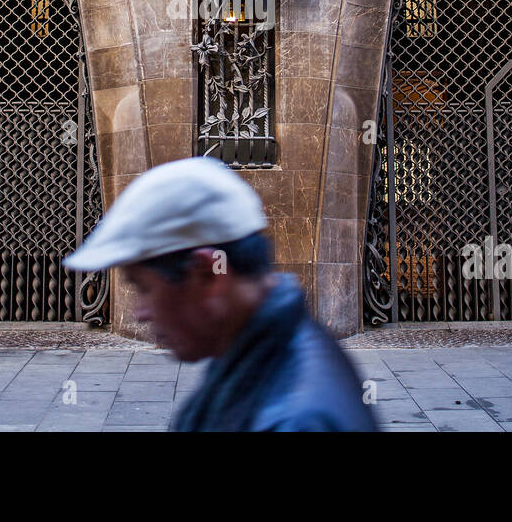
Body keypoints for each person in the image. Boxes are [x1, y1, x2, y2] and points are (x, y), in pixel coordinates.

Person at [63, 156, 378, 432]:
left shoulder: (298, 420)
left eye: (144, 287)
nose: (139, 312)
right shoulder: (241, 347)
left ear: (208, 275)